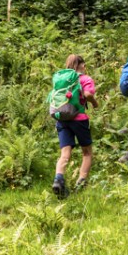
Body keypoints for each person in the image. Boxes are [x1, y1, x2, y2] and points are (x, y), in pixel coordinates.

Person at [52, 54, 97, 198]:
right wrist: (95, 103)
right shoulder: (85, 79)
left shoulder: (62, 80)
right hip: (79, 119)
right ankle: (81, 182)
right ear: (81, 65)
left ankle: (58, 179)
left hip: (62, 119)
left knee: (64, 154)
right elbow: (88, 94)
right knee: (87, 152)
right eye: (84, 65)